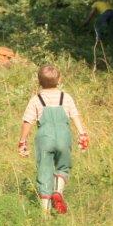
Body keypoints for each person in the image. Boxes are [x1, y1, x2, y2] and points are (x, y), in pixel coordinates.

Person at [18, 64, 88, 215]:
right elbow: (75, 115)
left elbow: (27, 121)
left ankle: (45, 212)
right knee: (63, 166)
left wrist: (22, 142)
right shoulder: (66, 97)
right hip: (64, 136)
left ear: (38, 81)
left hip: (44, 138)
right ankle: (58, 191)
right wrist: (82, 134)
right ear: (59, 79)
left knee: (44, 170)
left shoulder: (36, 99)